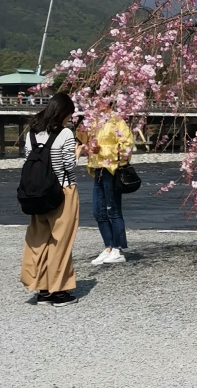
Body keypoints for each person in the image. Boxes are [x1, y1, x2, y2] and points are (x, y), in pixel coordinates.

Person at [19, 91, 80, 305]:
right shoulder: (65, 135)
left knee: (39, 240)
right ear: (63, 113)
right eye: (69, 115)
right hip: (62, 191)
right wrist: (77, 154)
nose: (69, 119)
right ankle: (59, 291)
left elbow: (28, 161)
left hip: (36, 193)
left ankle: (42, 288)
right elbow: (69, 166)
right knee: (60, 242)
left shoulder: (32, 134)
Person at [83, 100, 134, 266]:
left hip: (111, 169)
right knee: (98, 211)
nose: (96, 104)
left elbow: (126, 146)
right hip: (98, 168)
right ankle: (109, 246)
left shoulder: (117, 121)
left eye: (99, 100)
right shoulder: (94, 122)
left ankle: (118, 248)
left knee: (113, 209)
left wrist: (103, 150)